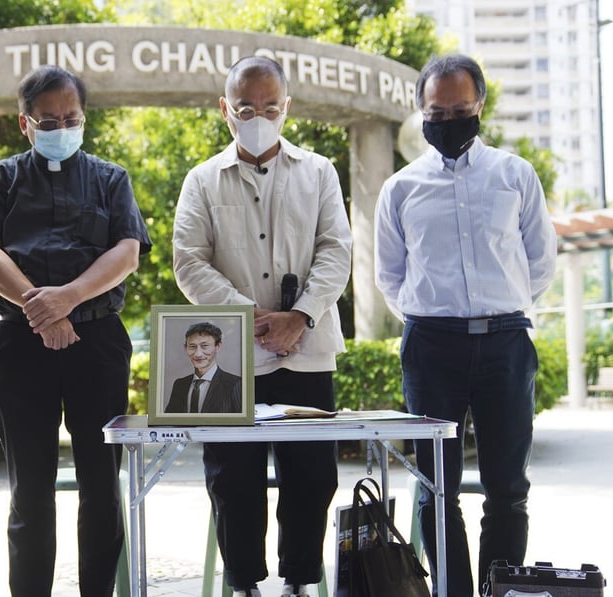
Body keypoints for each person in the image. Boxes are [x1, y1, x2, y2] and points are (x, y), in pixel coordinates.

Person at [374, 54, 558, 596]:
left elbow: (540, 263)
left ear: (480, 105)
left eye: (460, 109)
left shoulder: (515, 175)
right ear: (421, 111)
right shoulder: (400, 189)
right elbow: (390, 275)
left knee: (508, 489)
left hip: (506, 342)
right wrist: (436, 319)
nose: (449, 120)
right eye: (438, 111)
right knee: (436, 487)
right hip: (432, 347)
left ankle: (498, 591)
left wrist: (501, 311)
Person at [0, 65, 151, 597]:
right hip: (20, 341)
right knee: (30, 488)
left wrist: (67, 299)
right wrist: (39, 307)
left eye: (71, 118)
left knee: (101, 485)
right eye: (49, 120)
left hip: (96, 341)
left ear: (84, 118)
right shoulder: (0, 179)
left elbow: (127, 252)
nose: (61, 127)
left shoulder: (111, 178)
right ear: (26, 124)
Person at [172, 56, 353, 597]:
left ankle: (299, 581)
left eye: (270, 107)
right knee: (232, 478)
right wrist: (245, 316)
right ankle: (245, 584)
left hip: (308, 348)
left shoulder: (319, 171)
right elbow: (188, 259)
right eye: (247, 107)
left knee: (312, 476)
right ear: (225, 108)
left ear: (287, 108)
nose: (259, 116)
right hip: (232, 355)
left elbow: (336, 251)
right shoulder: (202, 180)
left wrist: (299, 315)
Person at [166, 321, 243, 413]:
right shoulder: (180, 385)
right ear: (185, 348)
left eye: (205, 346)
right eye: (192, 346)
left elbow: (243, 424)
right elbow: (169, 421)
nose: (198, 354)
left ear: (218, 346)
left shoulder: (235, 384)